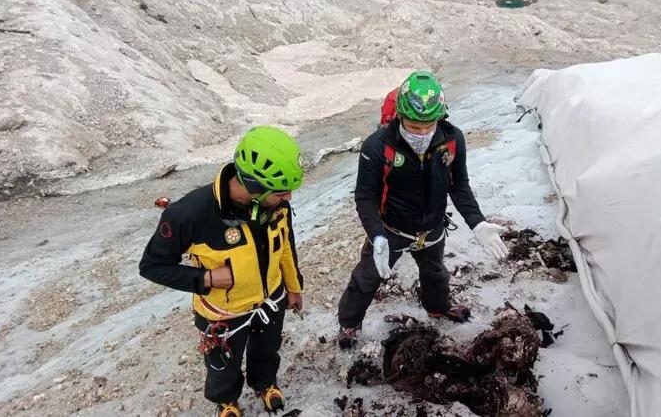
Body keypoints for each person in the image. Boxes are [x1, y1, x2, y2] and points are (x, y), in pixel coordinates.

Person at [139, 126, 305, 417]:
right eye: (281, 192)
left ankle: (265, 383)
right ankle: (226, 400)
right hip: (222, 314)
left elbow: (285, 245)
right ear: (254, 186)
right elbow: (152, 266)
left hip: (271, 300)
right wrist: (206, 278)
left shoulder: (274, 207)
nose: (288, 198)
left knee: (267, 349)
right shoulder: (189, 214)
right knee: (222, 365)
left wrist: (293, 287)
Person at [336, 71, 509, 349]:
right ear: (400, 117)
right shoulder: (377, 146)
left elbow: (459, 185)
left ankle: (438, 308)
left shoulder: (452, 140)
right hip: (390, 228)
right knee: (367, 276)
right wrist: (376, 235)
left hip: (431, 227)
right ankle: (349, 323)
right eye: (414, 126)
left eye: (428, 126)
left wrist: (477, 223)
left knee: (435, 273)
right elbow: (365, 196)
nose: (422, 133)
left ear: (440, 118)